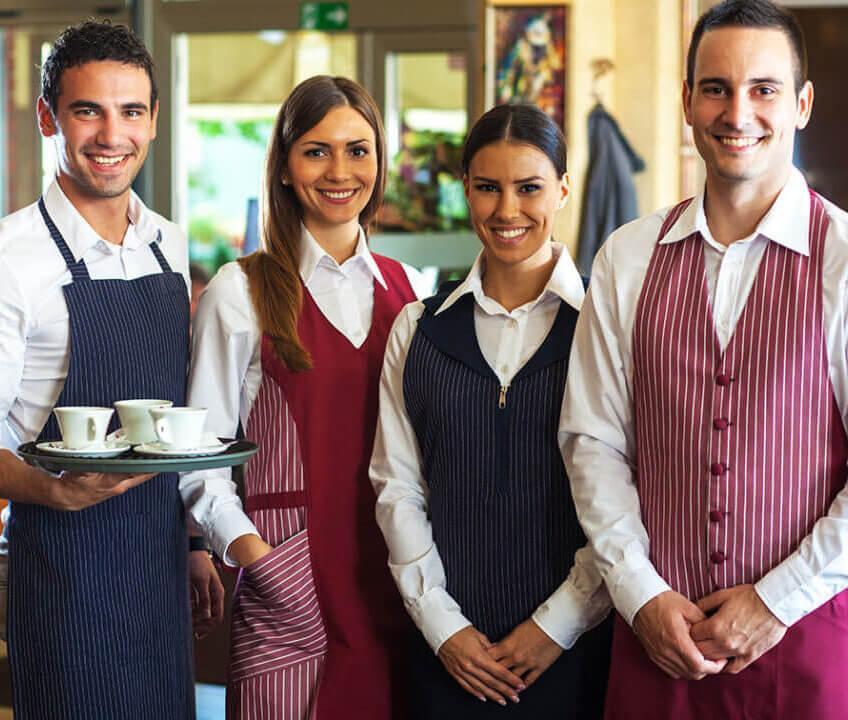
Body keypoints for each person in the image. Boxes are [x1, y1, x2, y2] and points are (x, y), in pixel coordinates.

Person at [560, 1, 848, 717]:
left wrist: (776, 600)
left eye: (764, 89)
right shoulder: (626, 257)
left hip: (807, 645)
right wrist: (640, 593)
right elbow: (591, 440)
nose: (737, 111)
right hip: (658, 645)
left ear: (802, 104)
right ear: (686, 101)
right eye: (715, 87)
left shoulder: (844, 260)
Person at [182, 75, 428, 719]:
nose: (340, 170)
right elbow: (200, 460)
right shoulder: (238, 291)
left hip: (398, 585)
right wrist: (257, 560)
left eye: (358, 149)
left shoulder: (409, 290)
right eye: (316, 151)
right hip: (287, 592)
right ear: (285, 167)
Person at [0, 20, 218, 719]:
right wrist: (53, 492)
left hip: (157, 565)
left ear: (154, 121)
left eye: (130, 111)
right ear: (47, 117)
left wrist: (192, 543)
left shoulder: (169, 247)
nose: (110, 134)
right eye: (87, 110)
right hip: (63, 572)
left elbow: (176, 419)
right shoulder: (12, 259)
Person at [370, 104, 612, 719]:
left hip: (577, 652)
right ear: (466, 191)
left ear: (561, 188)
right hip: (444, 652)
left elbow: (626, 499)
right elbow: (398, 487)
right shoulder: (417, 330)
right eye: (488, 188)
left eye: (529, 188)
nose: (507, 210)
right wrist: (441, 624)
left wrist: (556, 626)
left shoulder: (607, 328)